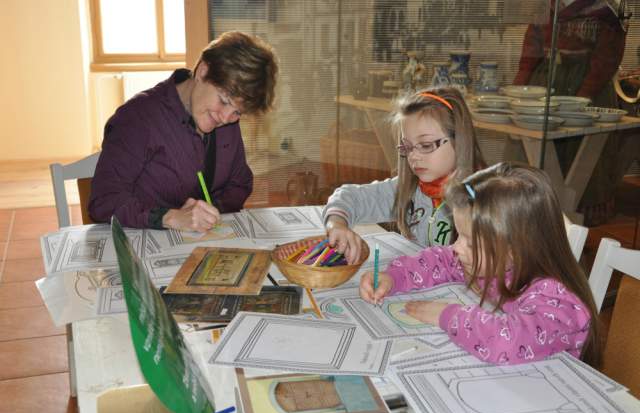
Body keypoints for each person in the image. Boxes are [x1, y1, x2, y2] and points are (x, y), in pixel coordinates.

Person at [359, 163, 601, 366]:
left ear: (516, 247)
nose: (456, 248)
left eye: (470, 243)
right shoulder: (493, 263)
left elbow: (506, 341)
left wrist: (448, 315)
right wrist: (394, 277)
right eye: (459, 235)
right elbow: (441, 260)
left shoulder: (556, 300)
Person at [89, 31, 278, 231]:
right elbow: (104, 201)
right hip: (144, 242)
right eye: (224, 101)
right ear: (202, 71)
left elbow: (239, 183)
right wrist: (169, 217)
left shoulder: (225, 120)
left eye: (238, 112)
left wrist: (209, 213)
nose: (225, 118)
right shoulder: (138, 118)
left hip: (202, 243)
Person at [323, 87, 485, 264]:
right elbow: (350, 196)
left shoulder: (486, 201)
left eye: (425, 145)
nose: (413, 156)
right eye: (407, 147)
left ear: (459, 140)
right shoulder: (410, 189)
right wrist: (336, 223)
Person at [511, 0, 628, 225]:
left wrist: (583, 96)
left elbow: (607, 57)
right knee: (533, 152)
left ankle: (570, 221)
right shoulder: (547, 7)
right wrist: (518, 91)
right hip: (545, 83)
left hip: (583, 86)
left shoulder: (605, 10)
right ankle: (529, 210)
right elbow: (530, 53)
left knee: (580, 154)